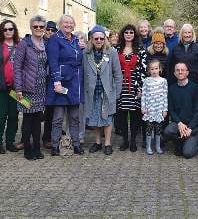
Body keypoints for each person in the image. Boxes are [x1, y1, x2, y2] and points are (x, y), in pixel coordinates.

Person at [46, 14, 84, 156]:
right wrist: (56, 81)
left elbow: (80, 58)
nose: (68, 25)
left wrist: (83, 48)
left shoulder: (75, 39)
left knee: (74, 117)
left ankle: (76, 144)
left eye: (70, 23)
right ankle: (55, 146)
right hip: (61, 82)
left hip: (74, 83)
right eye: (65, 23)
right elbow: (53, 61)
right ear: (60, 25)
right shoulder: (55, 39)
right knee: (58, 118)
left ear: (74, 25)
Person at [83, 25, 123, 156]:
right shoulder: (86, 53)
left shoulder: (111, 52)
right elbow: (83, 73)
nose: (99, 41)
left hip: (107, 91)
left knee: (107, 117)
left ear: (105, 39)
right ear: (91, 39)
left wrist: (117, 92)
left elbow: (117, 73)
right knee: (95, 117)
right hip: (92, 91)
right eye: (96, 38)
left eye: (101, 38)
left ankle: (107, 143)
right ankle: (97, 142)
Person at [13, 15, 49, 160]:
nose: (38, 29)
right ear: (31, 27)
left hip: (41, 87)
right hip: (27, 88)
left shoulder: (46, 43)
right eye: (36, 26)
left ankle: (37, 148)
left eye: (41, 26)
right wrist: (18, 89)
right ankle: (27, 148)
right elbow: (17, 66)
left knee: (37, 119)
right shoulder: (24, 44)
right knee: (28, 119)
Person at [0, 20, 21, 154]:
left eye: (10, 29)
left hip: (15, 88)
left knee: (13, 116)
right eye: (5, 29)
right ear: (1, 31)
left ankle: (10, 142)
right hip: (1, 88)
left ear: (14, 30)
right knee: (1, 115)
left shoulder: (20, 45)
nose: (8, 31)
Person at [115, 24, 147, 152]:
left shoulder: (140, 50)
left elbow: (144, 70)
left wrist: (141, 87)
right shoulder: (116, 49)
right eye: (126, 32)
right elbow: (113, 68)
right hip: (120, 85)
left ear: (135, 35)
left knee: (134, 114)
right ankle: (125, 140)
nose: (129, 34)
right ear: (123, 34)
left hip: (134, 86)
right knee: (122, 114)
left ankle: (133, 140)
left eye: (131, 32)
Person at [163, 62, 198, 159]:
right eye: (177, 70)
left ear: (187, 72)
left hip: (192, 126)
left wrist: (190, 128)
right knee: (168, 131)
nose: (180, 72)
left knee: (187, 154)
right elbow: (171, 109)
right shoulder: (171, 89)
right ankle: (179, 142)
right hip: (179, 123)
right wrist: (179, 123)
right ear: (174, 73)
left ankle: (195, 141)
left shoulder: (195, 88)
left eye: (183, 70)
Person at [141, 59, 168, 155]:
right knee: (149, 128)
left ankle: (158, 146)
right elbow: (143, 95)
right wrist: (143, 107)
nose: (154, 71)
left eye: (156, 68)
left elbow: (165, 95)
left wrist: (165, 109)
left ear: (160, 69)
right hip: (149, 109)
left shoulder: (163, 81)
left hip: (159, 109)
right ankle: (148, 146)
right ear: (148, 70)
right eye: (152, 69)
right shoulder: (146, 81)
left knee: (158, 129)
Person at [41, 20, 57, 149]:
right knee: (32, 110)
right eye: (48, 30)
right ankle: (27, 138)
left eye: (52, 30)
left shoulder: (56, 43)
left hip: (51, 80)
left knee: (50, 111)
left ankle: (47, 137)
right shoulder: (39, 42)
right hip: (38, 80)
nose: (50, 32)